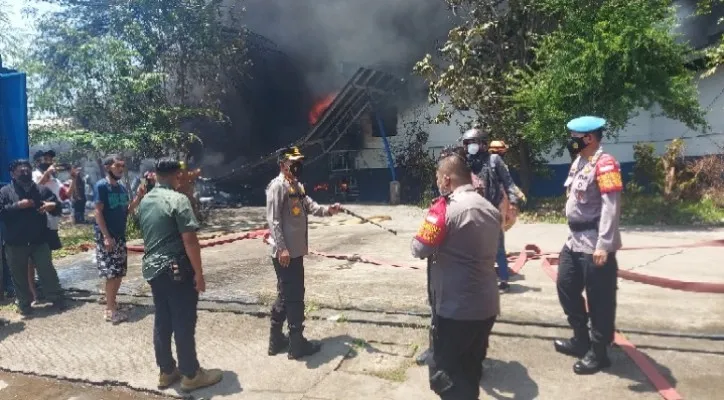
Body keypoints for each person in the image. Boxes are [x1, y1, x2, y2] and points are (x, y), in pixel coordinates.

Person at [411, 152, 501, 400]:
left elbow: (419, 248)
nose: (438, 183)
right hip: (486, 306)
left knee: (444, 375)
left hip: (455, 311)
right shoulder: (489, 208)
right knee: (471, 369)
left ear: (447, 179)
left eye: (439, 178)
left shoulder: (446, 209)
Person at [137, 159, 222, 392]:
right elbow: (190, 241)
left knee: (163, 319)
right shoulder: (178, 199)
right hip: (176, 270)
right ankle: (191, 374)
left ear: (156, 175)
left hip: (153, 270)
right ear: (177, 176)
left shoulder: (145, 201)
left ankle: (166, 371)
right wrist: (199, 274)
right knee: (183, 320)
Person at [553, 116, 622, 375]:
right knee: (565, 286)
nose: (570, 142)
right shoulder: (580, 161)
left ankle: (599, 352)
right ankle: (581, 339)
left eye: (573, 137)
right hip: (573, 241)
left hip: (594, 243)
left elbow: (611, 207)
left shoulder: (605, 164)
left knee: (599, 299)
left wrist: (604, 244)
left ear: (589, 138)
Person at [266, 146, 341, 359]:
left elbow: (311, 207)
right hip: (286, 253)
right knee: (295, 296)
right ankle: (297, 345)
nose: (298, 165)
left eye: (299, 161)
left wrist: (329, 210)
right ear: (283, 165)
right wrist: (282, 248)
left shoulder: (296, 186)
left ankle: (276, 340)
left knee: (286, 294)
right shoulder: (277, 187)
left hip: (295, 252)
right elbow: (274, 221)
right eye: (293, 162)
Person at [0, 159, 66, 316]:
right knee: (19, 275)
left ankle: (56, 298)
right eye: (20, 170)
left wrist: (53, 206)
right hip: (15, 243)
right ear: (13, 174)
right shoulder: (5, 192)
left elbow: (58, 208)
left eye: (27, 169)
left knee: (47, 270)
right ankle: (24, 304)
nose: (25, 172)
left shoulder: (41, 190)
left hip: (39, 240)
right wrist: (17, 206)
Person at [461, 128, 522, 293]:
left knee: (498, 247)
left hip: (492, 210)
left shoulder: (494, 160)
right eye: (467, 144)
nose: (470, 147)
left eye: (473, 143)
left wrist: (514, 202)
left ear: (482, 144)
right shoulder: (466, 163)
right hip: (473, 211)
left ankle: (503, 281)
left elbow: (509, 182)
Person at [94, 155, 145, 324]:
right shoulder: (102, 186)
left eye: (123, 165)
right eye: (118, 166)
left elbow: (127, 210)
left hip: (120, 236)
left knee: (119, 272)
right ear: (108, 167)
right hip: (107, 237)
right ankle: (109, 310)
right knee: (111, 274)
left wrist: (138, 197)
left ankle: (112, 303)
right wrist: (106, 237)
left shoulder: (121, 188)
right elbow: (98, 212)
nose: (121, 169)